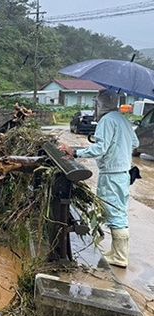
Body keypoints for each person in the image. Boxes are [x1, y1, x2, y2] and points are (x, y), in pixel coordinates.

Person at [59, 89, 140, 268]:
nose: (96, 106)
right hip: (123, 172)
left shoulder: (107, 120)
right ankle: (116, 252)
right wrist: (119, 147)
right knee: (118, 210)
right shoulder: (123, 119)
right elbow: (135, 143)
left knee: (114, 212)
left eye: (97, 102)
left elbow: (100, 149)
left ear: (102, 103)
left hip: (112, 173)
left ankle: (119, 256)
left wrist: (75, 152)